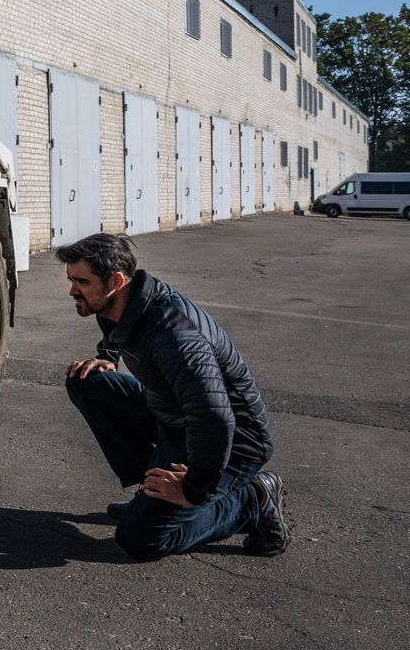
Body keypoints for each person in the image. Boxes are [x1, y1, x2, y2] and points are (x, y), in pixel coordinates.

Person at [57, 232, 291, 559]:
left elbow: (214, 417)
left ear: (115, 281)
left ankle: (254, 499)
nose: (72, 290)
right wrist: (107, 357)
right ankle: (150, 494)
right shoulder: (118, 303)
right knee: (86, 381)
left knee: (141, 539)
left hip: (234, 441)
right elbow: (116, 333)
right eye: (70, 279)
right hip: (175, 418)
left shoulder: (173, 334)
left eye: (81, 281)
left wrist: (191, 489)